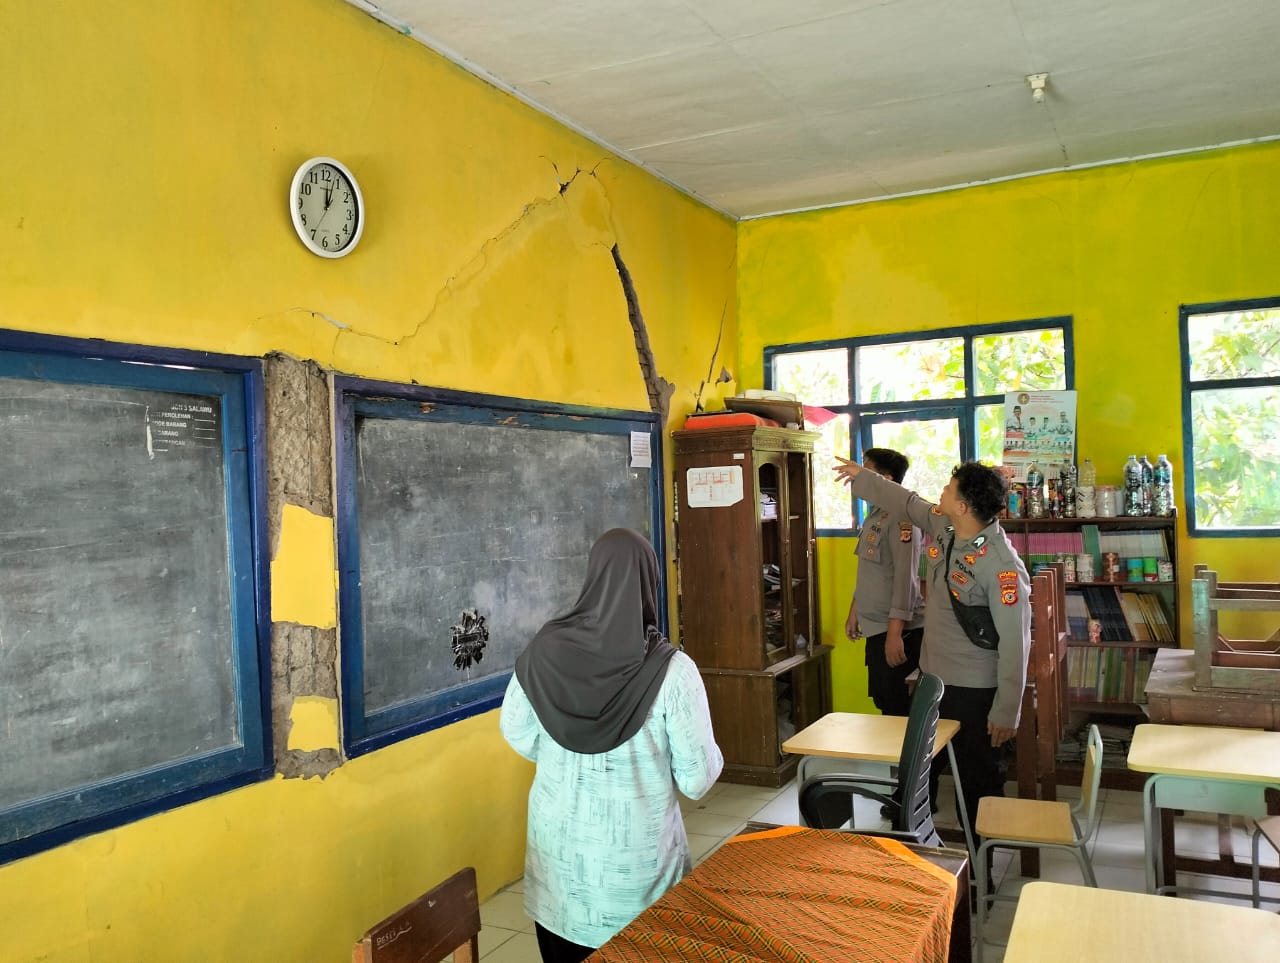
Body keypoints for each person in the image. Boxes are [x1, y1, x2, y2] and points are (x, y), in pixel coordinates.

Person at [500, 528, 724, 963]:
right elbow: (697, 780)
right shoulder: (673, 671)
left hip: (557, 876)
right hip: (638, 882)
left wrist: (567, 752)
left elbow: (516, 731)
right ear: (649, 583)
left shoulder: (543, 650)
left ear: (591, 576)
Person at [832, 457, 1031, 840]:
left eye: (948, 489)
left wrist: (1007, 711)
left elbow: (1015, 643)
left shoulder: (1002, 567)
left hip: (975, 691)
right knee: (923, 769)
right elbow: (907, 501)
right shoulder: (944, 524)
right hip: (934, 681)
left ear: (963, 505)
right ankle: (926, 846)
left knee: (977, 782)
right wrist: (865, 477)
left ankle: (981, 866)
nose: (940, 492)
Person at [845, 447, 924, 717]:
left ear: (886, 480)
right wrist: (855, 610)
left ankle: (912, 761)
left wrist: (894, 634)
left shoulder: (904, 519)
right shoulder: (876, 515)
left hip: (897, 631)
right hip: (875, 626)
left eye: (865, 470)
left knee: (898, 707)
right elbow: (870, 570)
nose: (856, 477)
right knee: (882, 698)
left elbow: (906, 580)